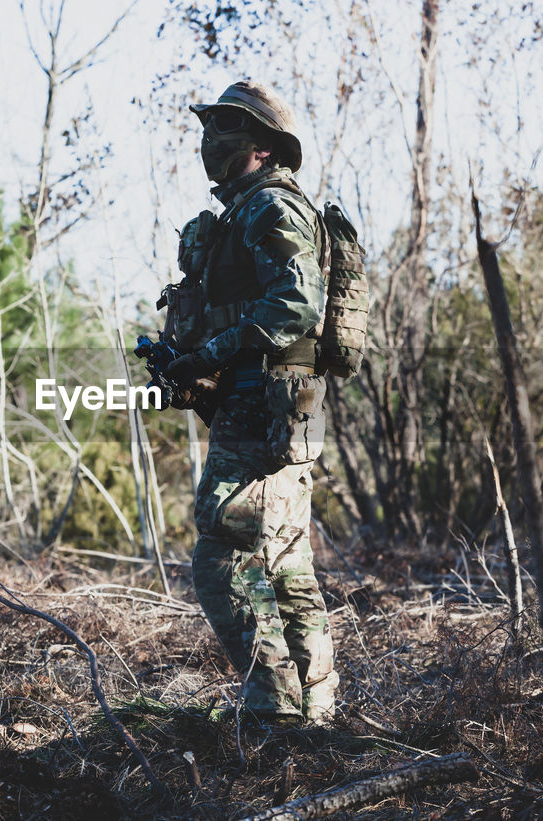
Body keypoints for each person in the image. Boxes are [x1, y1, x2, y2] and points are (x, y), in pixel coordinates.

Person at [165, 81, 338, 726]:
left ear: (263, 147)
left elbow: (298, 302)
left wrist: (214, 352)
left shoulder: (269, 206)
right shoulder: (251, 210)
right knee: (287, 565)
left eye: (227, 132)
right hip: (271, 408)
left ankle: (275, 713)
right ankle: (314, 717)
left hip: (263, 409)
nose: (212, 144)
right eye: (208, 131)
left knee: (221, 564)